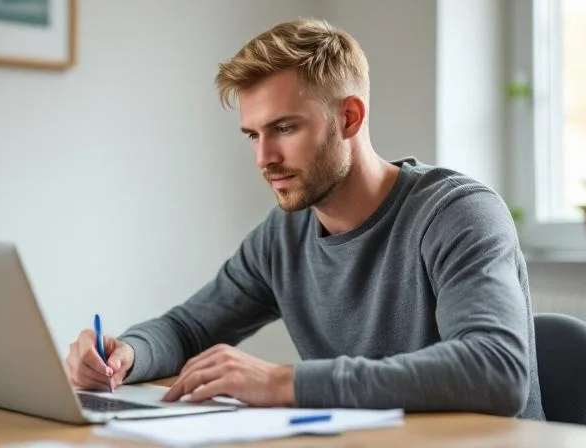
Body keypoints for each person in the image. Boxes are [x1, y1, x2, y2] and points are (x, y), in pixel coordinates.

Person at [65, 18, 545, 420]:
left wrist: (285, 382)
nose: (264, 158)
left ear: (350, 118)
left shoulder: (457, 213)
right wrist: (126, 354)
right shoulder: (283, 236)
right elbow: (188, 329)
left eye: (284, 128)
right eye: (252, 135)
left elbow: (495, 370)